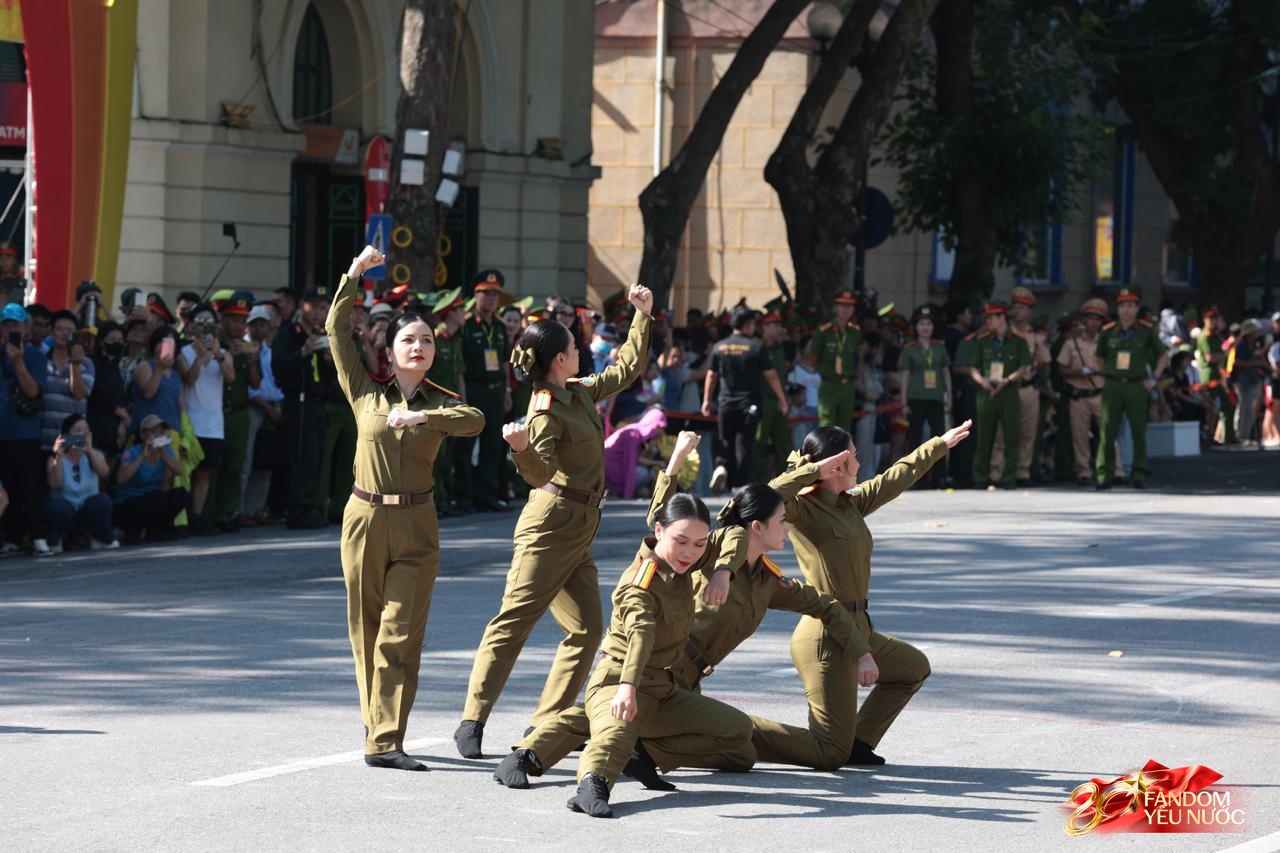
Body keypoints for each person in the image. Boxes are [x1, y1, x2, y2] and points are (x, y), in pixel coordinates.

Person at [455, 284, 653, 759]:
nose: (580, 349)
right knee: (514, 621)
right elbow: (540, 474)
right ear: (558, 360)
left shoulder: (579, 391)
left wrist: (641, 316)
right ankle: (473, 718)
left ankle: (546, 723)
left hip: (582, 525)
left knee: (586, 630)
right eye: (572, 346)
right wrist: (521, 450)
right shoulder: (545, 409)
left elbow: (625, 370)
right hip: (551, 525)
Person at [495, 488, 756, 818]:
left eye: (700, 544)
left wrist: (723, 572)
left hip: (662, 688)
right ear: (658, 530)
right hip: (617, 678)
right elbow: (640, 636)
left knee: (736, 729)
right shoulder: (640, 581)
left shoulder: (682, 562)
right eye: (681, 541)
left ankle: (533, 752)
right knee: (616, 732)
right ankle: (592, 786)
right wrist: (628, 689)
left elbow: (733, 532)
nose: (690, 552)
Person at [328, 246, 485, 771]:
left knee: (399, 633)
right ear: (389, 350)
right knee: (366, 632)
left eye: (426, 340)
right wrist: (353, 275)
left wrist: (421, 421)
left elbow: (476, 420)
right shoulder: (364, 392)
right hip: (365, 519)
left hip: (417, 523)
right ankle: (377, 725)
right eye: (408, 340)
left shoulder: (440, 402)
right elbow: (335, 330)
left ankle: (385, 740)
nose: (418, 346)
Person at [767, 419, 971, 766]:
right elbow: (767, 495)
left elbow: (894, 478)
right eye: (855, 457)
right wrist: (811, 470)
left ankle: (859, 741)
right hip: (826, 634)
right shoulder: (802, 509)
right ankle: (739, 734)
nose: (860, 464)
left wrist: (939, 444)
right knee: (828, 751)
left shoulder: (848, 503)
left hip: (858, 626)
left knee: (912, 668)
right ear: (837, 465)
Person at [701, 306, 789, 493]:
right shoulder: (756, 347)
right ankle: (738, 486)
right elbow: (771, 375)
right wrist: (782, 398)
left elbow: (711, 375)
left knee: (725, 439)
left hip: (726, 402)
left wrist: (707, 400)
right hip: (749, 404)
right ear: (749, 325)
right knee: (744, 445)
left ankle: (721, 466)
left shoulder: (719, 347)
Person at [272, 284, 332, 529]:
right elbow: (279, 367)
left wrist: (329, 359)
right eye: (314, 307)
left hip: (318, 402)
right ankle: (296, 509)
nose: (319, 312)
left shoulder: (321, 334)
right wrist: (303, 353)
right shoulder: (289, 334)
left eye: (323, 308)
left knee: (315, 456)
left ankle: (308, 506)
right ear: (301, 306)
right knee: (301, 455)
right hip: (298, 401)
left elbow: (330, 376)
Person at [1095, 287, 1168, 490]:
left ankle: (1139, 472)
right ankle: (1104, 474)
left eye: (1130, 306)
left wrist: (1154, 377)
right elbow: (1099, 356)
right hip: (1113, 385)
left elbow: (1163, 354)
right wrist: (1106, 373)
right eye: (1122, 306)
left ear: (1136, 309)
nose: (1126, 310)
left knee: (1138, 431)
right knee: (1107, 431)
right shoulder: (1108, 331)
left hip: (1137, 385)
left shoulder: (1145, 331)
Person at [458, 270, 513, 513]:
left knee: (492, 445)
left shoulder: (500, 327)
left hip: (496, 391)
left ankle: (486, 494)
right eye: (485, 293)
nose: (490, 298)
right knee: (467, 445)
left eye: (494, 294)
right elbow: (460, 364)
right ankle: (463, 495)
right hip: (474, 389)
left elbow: (504, 363)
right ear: (476, 295)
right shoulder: (467, 325)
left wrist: (507, 390)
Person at [963, 302, 1032, 489]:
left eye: (993, 317)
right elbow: (973, 367)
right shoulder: (982, 341)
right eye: (987, 317)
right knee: (984, 437)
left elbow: (1024, 367)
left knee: (1011, 436)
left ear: (1003, 318)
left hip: (1008, 392)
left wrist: (1008, 380)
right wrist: (982, 381)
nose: (989, 321)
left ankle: (1009, 476)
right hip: (987, 392)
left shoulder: (1018, 341)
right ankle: (980, 476)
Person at [1, 303, 51, 555]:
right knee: (5, 487)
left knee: (30, 487)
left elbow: (34, 392)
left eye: (16, 325)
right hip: (2, 433)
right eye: (6, 324)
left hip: (26, 432)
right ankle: (10, 537)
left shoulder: (35, 356)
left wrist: (19, 363)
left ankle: (38, 536)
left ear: (26, 329)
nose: (10, 329)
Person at [181, 304, 234, 533]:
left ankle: (197, 515)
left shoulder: (223, 352)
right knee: (187, 472)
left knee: (205, 473)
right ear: (192, 327)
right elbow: (190, 379)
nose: (205, 328)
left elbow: (230, 377)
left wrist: (218, 354)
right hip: (191, 420)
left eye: (209, 323)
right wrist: (200, 355)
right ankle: (181, 517)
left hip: (213, 424)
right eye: (200, 323)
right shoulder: (184, 352)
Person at [210, 295, 261, 531]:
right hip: (215, 411)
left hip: (239, 412)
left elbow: (255, 384)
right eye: (234, 320)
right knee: (212, 465)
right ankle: (207, 513)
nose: (239, 326)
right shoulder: (212, 343)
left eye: (243, 321)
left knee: (234, 464)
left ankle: (226, 514)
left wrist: (251, 361)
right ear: (223, 320)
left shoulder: (249, 346)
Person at [1056, 299, 1121, 485]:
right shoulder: (1071, 343)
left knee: (1108, 433)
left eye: (1097, 319)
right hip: (1079, 395)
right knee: (1080, 436)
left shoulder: (1107, 342)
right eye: (1090, 318)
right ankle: (1083, 471)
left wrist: (1100, 371)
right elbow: (1061, 370)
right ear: (1083, 320)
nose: (1093, 322)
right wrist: (1078, 372)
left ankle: (1115, 470)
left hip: (1100, 393)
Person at [991, 287, 1051, 486]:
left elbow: (1043, 362)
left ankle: (1022, 472)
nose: (1017, 311)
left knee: (1028, 432)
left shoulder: (1036, 336)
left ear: (1030, 312)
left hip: (1028, 388)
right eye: (1015, 307)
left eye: (1022, 308)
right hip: (1008, 388)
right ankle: (997, 471)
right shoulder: (1004, 333)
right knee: (1003, 432)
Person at [44, 413, 117, 553]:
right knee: (54, 505)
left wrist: (88, 450)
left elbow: (104, 473)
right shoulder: (54, 457)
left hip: (87, 512)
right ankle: (55, 539)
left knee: (103, 500)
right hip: (67, 513)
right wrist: (57, 456)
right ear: (65, 435)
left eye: (85, 430)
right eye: (77, 431)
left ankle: (101, 538)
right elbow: (55, 484)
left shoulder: (95, 454)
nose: (82, 434)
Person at [897, 305, 952, 488]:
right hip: (916, 397)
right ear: (916, 327)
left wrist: (949, 397)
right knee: (916, 438)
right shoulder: (910, 349)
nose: (925, 327)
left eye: (928, 323)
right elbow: (905, 376)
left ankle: (939, 478)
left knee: (939, 440)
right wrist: (904, 401)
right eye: (921, 323)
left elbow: (946, 374)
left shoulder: (940, 348)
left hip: (936, 397)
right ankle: (915, 480)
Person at [239, 304, 283, 526]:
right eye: (254, 324)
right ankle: (240, 511)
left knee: (265, 462)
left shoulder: (269, 349)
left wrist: (276, 408)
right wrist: (269, 409)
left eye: (262, 324)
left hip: (273, 406)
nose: (258, 328)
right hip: (255, 406)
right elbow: (250, 388)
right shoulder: (244, 348)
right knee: (246, 460)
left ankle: (256, 509)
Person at [113, 414, 188, 543]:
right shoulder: (131, 452)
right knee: (157, 497)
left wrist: (163, 454)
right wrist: (143, 456)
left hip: (153, 501)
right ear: (143, 435)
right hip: (128, 503)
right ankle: (133, 531)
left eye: (160, 431)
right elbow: (120, 479)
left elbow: (180, 471)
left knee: (181, 494)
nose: (158, 434)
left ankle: (155, 530)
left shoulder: (167, 452)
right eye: (153, 431)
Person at [40, 310, 95, 453]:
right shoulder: (41, 360)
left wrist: (75, 365)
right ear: (51, 333)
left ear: (76, 334)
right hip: (44, 441)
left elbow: (79, 394)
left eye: (69, 330)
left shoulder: (87, 363)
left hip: (73, 444)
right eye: (59, 329)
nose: (64, 333)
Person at [753, 310, 793, 481]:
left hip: (779, 401)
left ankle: (783, 483)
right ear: (765, 327)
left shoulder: (779, 349)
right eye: (775, 325)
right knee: (759, 444)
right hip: (763, 401)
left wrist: (784, 398)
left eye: (780, 325)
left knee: (782, 445)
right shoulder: (756, 347)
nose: (779, 329)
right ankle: (758, 483)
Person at [813, 290, 861, 429]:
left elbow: (856, 358)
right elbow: (813, 357)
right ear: (835, 307)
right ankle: (826, 452)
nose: (846, 309)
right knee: (827, 427)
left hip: (847, 386)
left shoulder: (855, 332)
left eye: (850, 306)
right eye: (842, 305)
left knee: (845, 428)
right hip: (829, 385)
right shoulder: (824, 331)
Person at [86, 321, 130, 458]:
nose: (116, 343)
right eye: (112, 339)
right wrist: (120, 413)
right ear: (101, 341)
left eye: (120, 340)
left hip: (114, 430)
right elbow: (95, 394)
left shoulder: (119, 365)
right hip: (96, 427)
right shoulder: (93, 363)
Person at [1195, 307, 1234, 443]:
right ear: (1205, 320)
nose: (1214, 322)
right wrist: (1225, 352)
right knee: (1210, 407)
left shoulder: (1216, 335)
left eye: (1216, 319)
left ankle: (1229, 437)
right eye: (1211, 319)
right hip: (1208, 375)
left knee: (1227, 406)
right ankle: (1208, 435)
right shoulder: (1204, 337)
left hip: (1217, 374)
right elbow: (1211, 357)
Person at [1229, 319, 1268, 444]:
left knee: (1250, 408)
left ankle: (1245, 434)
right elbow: (1238, 362)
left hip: (1252, 379)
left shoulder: (1252, 344)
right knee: (1244, 408)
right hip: (1243, 380)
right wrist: (1256, 363)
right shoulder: (1242, 345)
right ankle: (1241, 435)